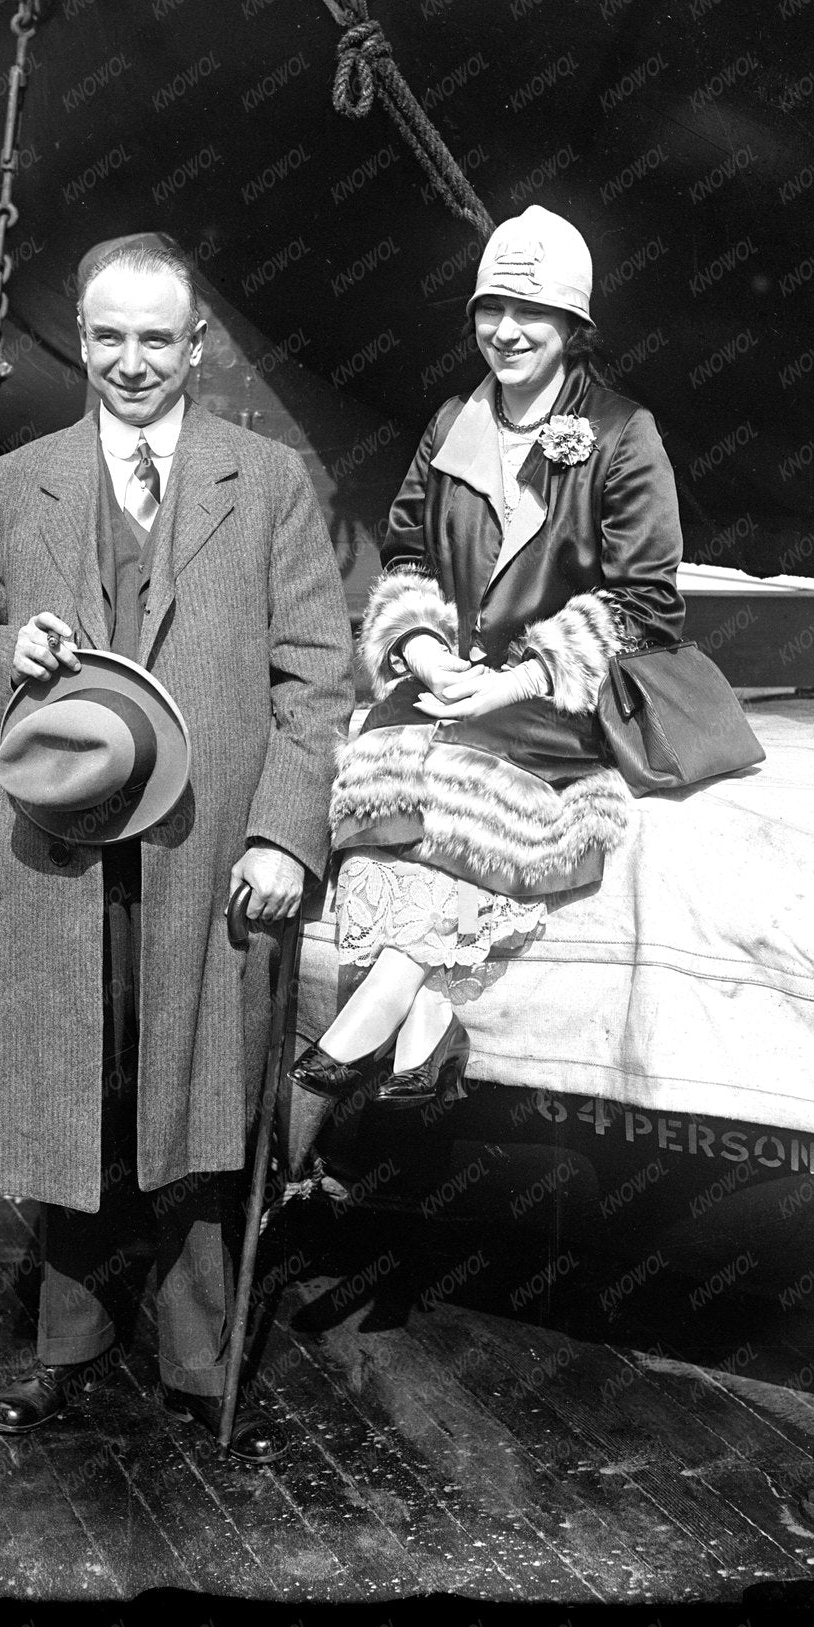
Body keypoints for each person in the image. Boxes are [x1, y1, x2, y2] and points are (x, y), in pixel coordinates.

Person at [0, 231, 354, 1463]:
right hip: (58, 852)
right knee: (72, 1090)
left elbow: (317, 682)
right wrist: (9, 653)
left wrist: (283, 833)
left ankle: (197, 1355)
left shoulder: (266, 482)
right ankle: (65, 1344)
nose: (131, 361)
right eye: (108, 335)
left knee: (199, 1099)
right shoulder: (20, 482)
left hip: (209, 857)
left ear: (197, 347)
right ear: (81, 336)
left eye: (157, 338)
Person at [292, 205, 684, 1110]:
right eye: (489, 308)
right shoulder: (452, 421)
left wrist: (515, 679)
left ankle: (387, 1002)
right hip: (451, 678)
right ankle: (430, 1020)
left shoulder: (623, 434)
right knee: (379, 776)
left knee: (472, 788)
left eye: (531, 313)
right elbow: (406, 557)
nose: (505, 332)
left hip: (556, 697)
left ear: (573, 330)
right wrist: (424, 652)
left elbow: (647, 605)